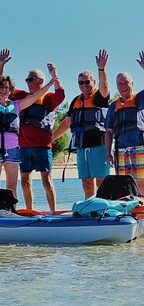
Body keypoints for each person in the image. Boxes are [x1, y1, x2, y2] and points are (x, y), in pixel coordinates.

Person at [0, 49, 65, 211]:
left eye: (31, 79)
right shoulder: (22, 96)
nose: (28, 82)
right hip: (24, 146)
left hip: (43, 146)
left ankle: (53, 212)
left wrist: (54, 75)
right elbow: (2, 86)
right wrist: (1, 65)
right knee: (25, 181)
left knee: (46, 181)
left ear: (41, 81)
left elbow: (61, 94)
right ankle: (29, 210)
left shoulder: (48, 98)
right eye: (27, 79)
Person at [0, 73, 57, 193]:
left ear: (10, 90)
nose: (3, 90)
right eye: (0, 87)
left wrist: (50, 84)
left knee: (11, 188)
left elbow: (35, 96)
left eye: (6, 87)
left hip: (13, 149)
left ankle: (11, 210)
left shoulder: (17, 105)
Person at [53, 49, 111, 198]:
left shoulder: (99, 97)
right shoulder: (76, 101)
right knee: (86, 183)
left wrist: (101, 69)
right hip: (81, 146)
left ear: (93, 82)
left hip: (99, 145)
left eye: (87, 82)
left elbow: (104, 86)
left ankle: (104, 210)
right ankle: (89, 209)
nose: (84, 85)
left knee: (102, 183)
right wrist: (51, 139)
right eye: (80, 82)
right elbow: (67, 123)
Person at [104, 51, 144, 193]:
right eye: (119, 83)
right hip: (120, 150)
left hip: (139, 147)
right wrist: (108, 153)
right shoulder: (113, 106)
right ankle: (129, 211)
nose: (122, 86)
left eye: (125, 82)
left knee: (141, 182)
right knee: (124, 184)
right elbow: (108, 132)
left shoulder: (139, 99)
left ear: (132, 83)